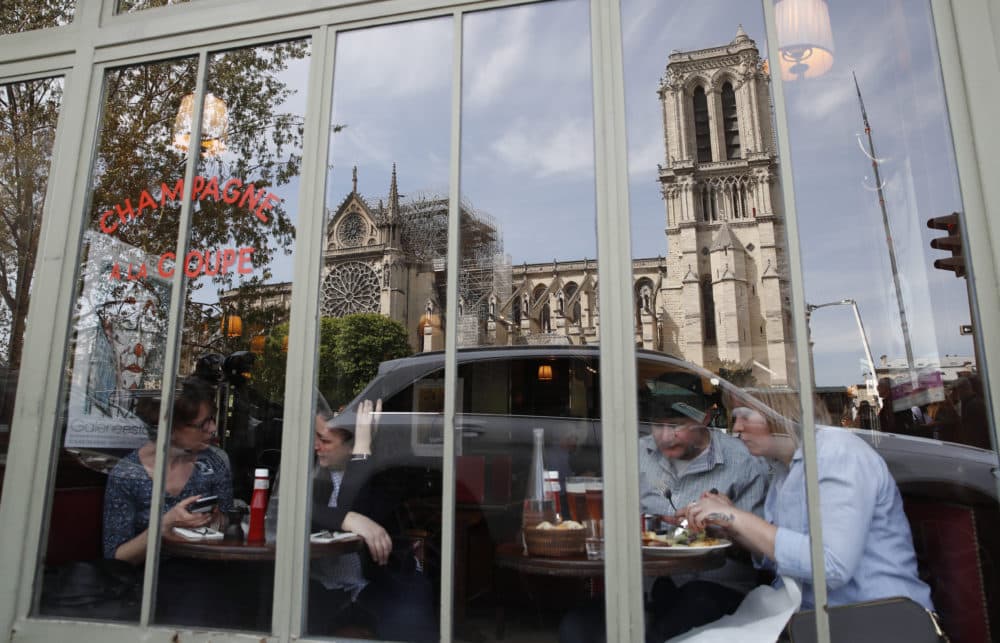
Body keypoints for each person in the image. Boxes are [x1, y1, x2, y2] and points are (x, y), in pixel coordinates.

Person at [682, 401, 933, 615]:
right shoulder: (784, 469)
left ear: (777, 411)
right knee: (691, 602)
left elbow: (830, 566)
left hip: (875, 620)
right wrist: (732, 529)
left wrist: (737, 517)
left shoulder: (837, 453)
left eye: (745, 416)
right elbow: (788, 561)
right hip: (814, 616)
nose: (736, 428)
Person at [560, 404, 770, 643]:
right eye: (658, 425)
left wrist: (720, 527)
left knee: (664, 632)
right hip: (645, 584)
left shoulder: (744, 462)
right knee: (576, 629)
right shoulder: (637, 453)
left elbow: (760, 555)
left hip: (715, 583)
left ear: (705, 417)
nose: (665, 436)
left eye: (676, 425)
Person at [102, 376, 235, 625]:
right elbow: (116, 557)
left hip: (206, 574)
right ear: (170, 427)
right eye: (202, 424)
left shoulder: (215, 462)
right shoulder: (128, 473)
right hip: (144, 580)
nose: (213, 428)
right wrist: (163, 527)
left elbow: (227, 520)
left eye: (212, 419)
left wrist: (217, 520)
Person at [308, 396, 437, 641]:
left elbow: (355, 504)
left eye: (324, 440)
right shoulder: (314, 474)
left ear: (352, 446)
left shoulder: (383, 475)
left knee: (409, 622)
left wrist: (363, 450)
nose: (316, 446)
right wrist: (349, 520)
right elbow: (297, 507)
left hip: (380, 583)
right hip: (326, 586)